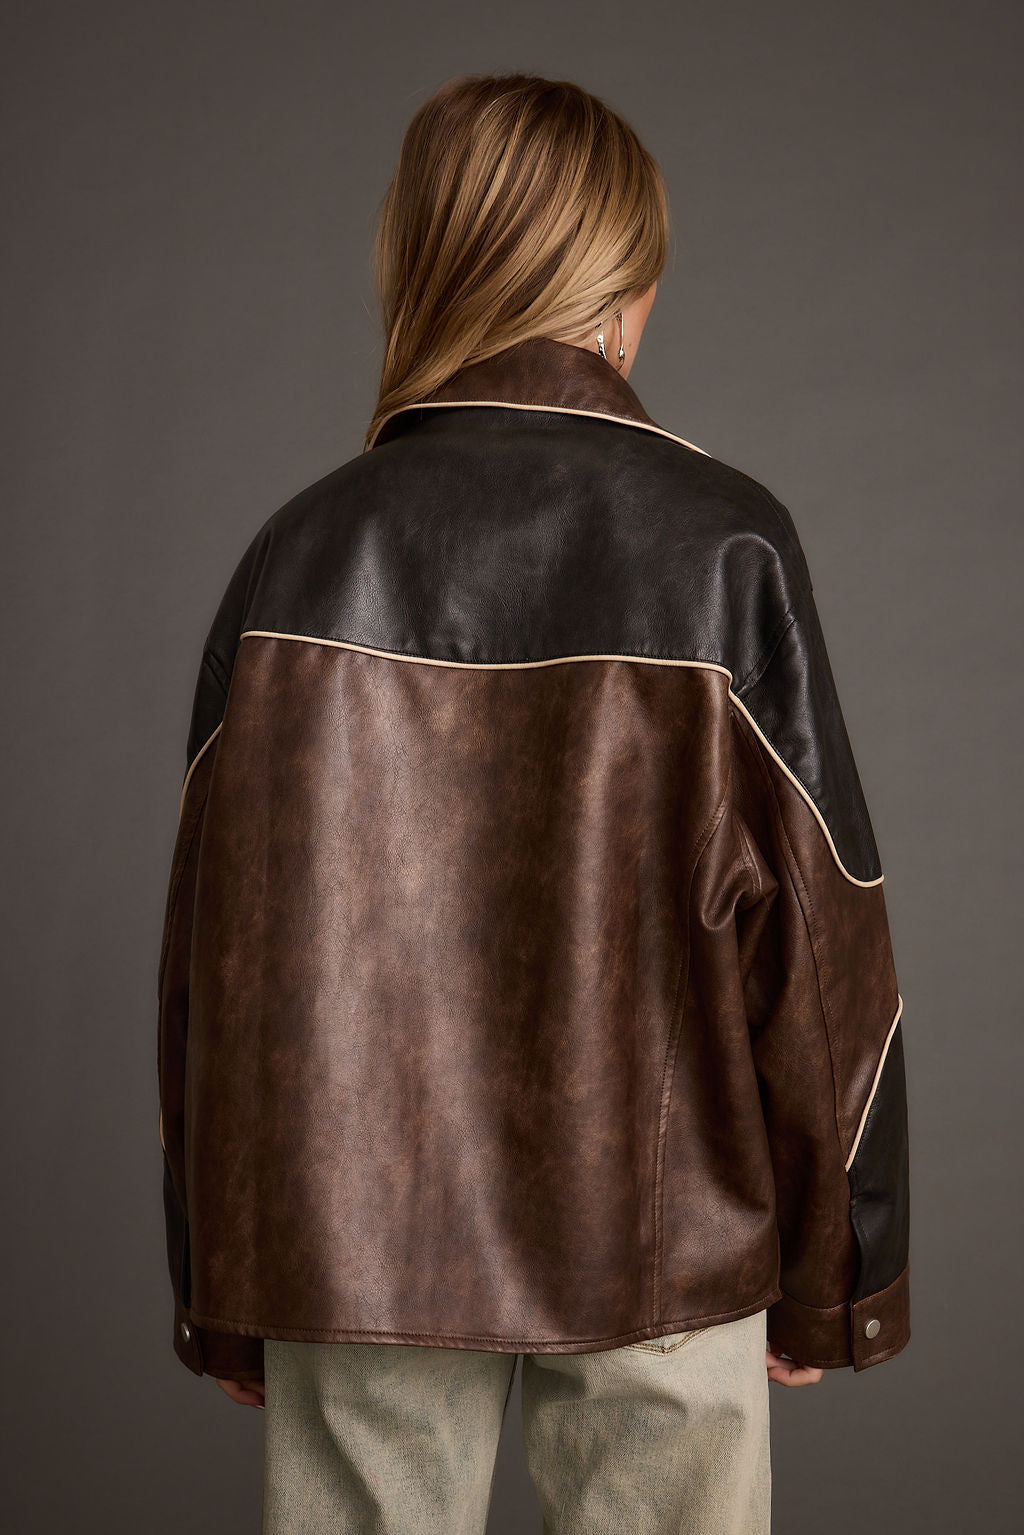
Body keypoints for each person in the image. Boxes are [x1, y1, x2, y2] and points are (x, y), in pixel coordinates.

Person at [156, 72, 911, 1535]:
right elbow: (825, 957)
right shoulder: (723, 548)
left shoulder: (296, 556)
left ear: (423, 267)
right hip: (667, 1236)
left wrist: (223, 1276)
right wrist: (841, 1272)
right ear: (620, 293)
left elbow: (213, 968)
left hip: (348, 1243)